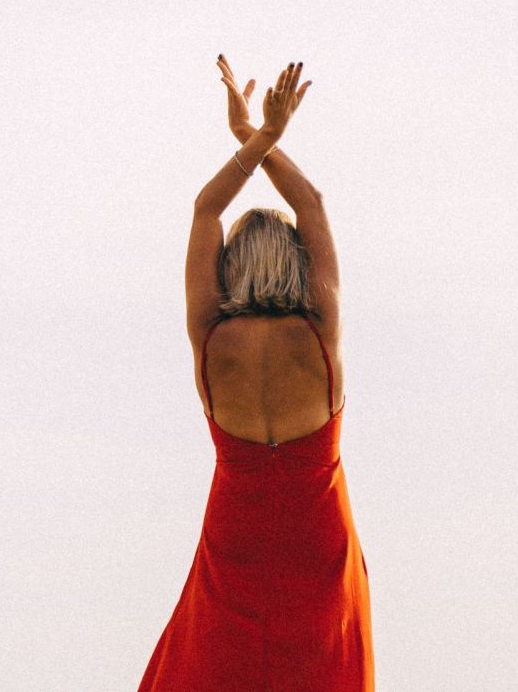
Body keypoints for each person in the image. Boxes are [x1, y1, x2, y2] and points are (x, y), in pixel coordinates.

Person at [136, 55, 374, 691]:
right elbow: (314, 203)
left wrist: (256, 138)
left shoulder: (212, 337)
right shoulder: (319, 331)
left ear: (230, 263)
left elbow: (204, 210)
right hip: (317, 524)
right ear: (294, 262)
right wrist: (261, 136)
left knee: (221, 660)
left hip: (236, 524)